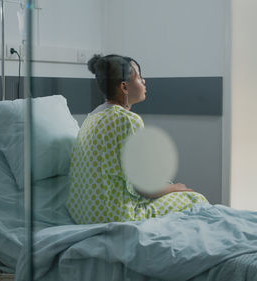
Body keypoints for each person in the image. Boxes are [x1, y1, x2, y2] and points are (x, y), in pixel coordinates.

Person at [66, 54, 208, 224]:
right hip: (114, 216)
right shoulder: (128, 120)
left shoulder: (92, 117)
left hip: (83, 214)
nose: (144, 81)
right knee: (196, 199)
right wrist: (176, 188)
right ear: (124, 87)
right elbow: (144, 188)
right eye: (139, 77)